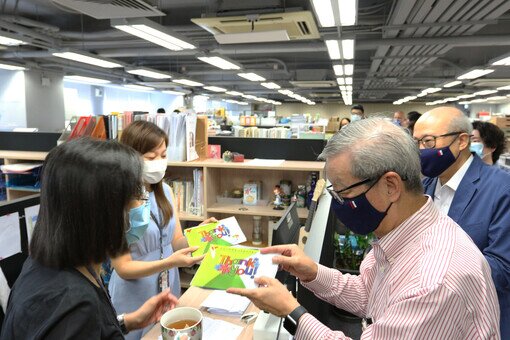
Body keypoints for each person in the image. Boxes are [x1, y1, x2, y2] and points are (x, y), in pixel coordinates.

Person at [228, 118, 500, 339]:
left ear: (390, 186)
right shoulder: (405, 232)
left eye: (344, 193)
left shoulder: (432, 283)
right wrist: (312, 272)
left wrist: (292, 312)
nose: (339, 204)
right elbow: (369, 295)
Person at [0, 138, 178, 339]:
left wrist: (128, 321)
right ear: (100, 212)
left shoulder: (47, 265)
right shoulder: (72, 307)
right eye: (134, 197)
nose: (140, 206)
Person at [108, 121, 215, 340]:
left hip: (168, 285)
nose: (159, 163)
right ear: (130, 158)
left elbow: (174, 241)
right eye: (150, 157)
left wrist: (197, 234)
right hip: (134, 294)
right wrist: (171, 262)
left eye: (163, 155)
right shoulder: (117, 199)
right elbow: (123, 268)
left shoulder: (165, 190)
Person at [413, 107, 510, 339]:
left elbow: (502, 269)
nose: (420, 151)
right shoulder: (424, 188)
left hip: (476, 323)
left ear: (462, 141)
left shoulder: (501, 189)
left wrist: (428, 272)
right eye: (415, 143)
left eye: (428, 142)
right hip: (429, 322)